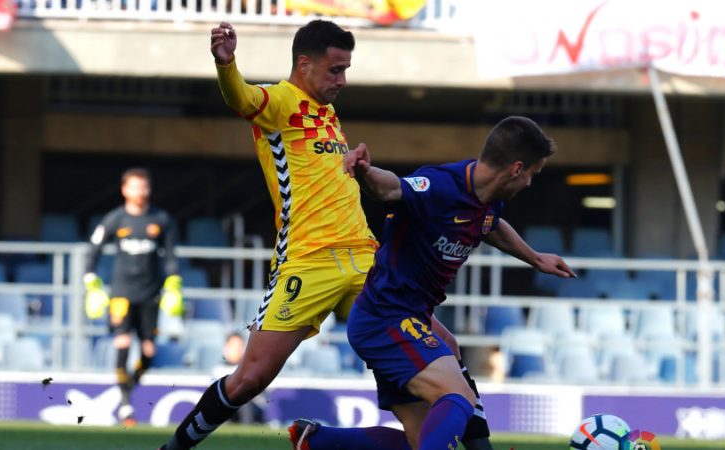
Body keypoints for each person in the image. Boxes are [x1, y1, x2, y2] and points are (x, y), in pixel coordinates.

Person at [159, 19, 491, 450]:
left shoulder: (329, 115)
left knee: (445, 346)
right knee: (251, 377)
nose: (343, 80)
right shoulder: (280, 101)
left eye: (346, 69)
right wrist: (227, 65)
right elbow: (241, 97)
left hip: (367, 261)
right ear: (304, 64)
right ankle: (173, 448)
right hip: (308, 261)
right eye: (335, 70)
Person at [289, 116, 577, 450]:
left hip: (406, 316)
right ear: (516, 168)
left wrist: (535, 257)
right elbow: (392, 187)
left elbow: (490, 224)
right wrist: (365, 170)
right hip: (386, 317)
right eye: (532, 174)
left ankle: (317, 441)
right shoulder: (440, 186)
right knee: (457, 394)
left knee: (421, 438)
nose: (530, 183)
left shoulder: (490, 197)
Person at [83, 167, 184, 427]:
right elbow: (92, 251)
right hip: (122, 293)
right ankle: (126, 404)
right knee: (123, 343)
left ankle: (127, 387)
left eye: (144, 187)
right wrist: (90, 281)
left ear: (148, 190)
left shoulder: (161, 219)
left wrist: (174, 283)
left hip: (151, 294)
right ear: (125, 190)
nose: (140, 192)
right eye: (135, 187)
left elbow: (171, 255)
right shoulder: (115, 219)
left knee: (148, 352)